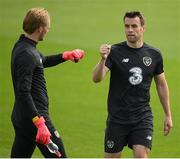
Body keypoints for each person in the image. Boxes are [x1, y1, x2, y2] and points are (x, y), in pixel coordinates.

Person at [92, 11, 173, 158]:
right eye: (127, 26)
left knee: (141, 155)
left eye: (134, 26)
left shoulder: (154, 55)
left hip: (142, 117)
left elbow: (161, 84)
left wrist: (168, 115)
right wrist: (102, 59)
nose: (130, 30)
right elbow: (97, 78)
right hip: (117, 118)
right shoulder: (114, 51)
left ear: (143, 28)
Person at [10, 8, 84, 158]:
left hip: (23, 117)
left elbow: (41, 61)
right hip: (36, 118)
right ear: (41, 29)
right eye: (47, 27)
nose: (48, 30)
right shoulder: (27, 54)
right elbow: (23, 92)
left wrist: (65, 56)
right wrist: (40, 124)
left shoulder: (24, 46)